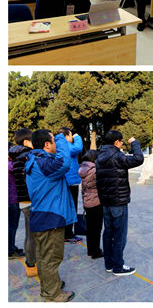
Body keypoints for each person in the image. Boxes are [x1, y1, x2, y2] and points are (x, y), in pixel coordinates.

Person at [25, 129, 77, 301]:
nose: (57, 143)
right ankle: (52, 294)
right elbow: (64, 163)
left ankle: (50, 285)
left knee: (43, 257)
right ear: (47, 144)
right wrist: (62, 136)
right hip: (50, 218)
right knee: (51, 258)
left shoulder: (36, 160)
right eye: (54, 140)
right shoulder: (44, 163)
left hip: (42, 215)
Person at [96, 130, 143, 276]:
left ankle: (109, 264)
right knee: (119, 235)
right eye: (121, 141)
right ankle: (118, 266)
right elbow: (138, 158)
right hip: (118, 201)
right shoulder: (117, 156)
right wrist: (134, 143)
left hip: (106, 202)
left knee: (108, 233)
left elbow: (98, 181)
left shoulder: (99, 157)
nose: (122, 144)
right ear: (116, 142)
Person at [9, 129, 38, 276]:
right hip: (30, 199)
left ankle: (31, 262)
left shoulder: (16, 156)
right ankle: (32, 263)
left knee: (29, 233)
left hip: (23, 199)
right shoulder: (26, 156)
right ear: (26, 142)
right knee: (33, 235)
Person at [59, 128, 83, 245]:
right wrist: (77, 137)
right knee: (71, 207)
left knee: (68, 207)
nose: (72, 138)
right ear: (66, 136)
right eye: (70, 135)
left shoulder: (60, 145)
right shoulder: (64, 145)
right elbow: (77, 148)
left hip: (67, 181)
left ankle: (67, 233)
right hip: (70, 182)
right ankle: (67, 234)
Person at [78, 150, 103, 259]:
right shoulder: (95, 171)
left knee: (90, 228)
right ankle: (96, 252)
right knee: (96, 229)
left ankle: (90, 250)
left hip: (87, 201)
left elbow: (83, 189)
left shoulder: (82, 169)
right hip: (96, 202)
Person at [9, 154, 25, 259]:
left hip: (12, 199)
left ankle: (11, 247)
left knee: (12, 226)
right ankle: (10, 250)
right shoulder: (10, 165)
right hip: (11, 199)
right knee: (11, 226)